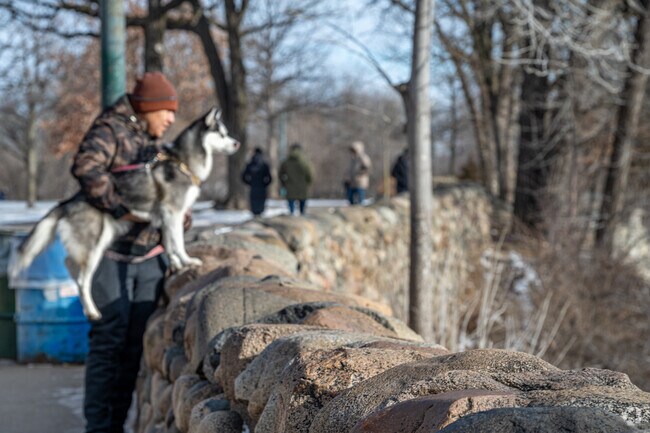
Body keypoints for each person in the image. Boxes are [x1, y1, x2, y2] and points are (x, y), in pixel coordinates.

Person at [71, 72, 181, 433]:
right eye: (166, 110)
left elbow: (174, 191)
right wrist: (123, 209)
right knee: (108, 343)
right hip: (109, 257)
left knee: (134, 348)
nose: (171, 119)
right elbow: (86, 167)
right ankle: (99, 429)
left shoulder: (157, 143)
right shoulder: (111, 129)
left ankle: (117, 425)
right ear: (148, 107)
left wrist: (180, 215)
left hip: (150, 258)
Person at [279, 143, 313, 215]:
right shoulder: (304, 162)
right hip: (302, 187)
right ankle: (302, 215)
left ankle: (291, 216)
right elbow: (310, 174)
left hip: (290, 186)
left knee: (291, 207)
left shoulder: (286, 162)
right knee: (302, 206)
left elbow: (280, 174)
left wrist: (284, 183)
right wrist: (308, 182)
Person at [241, 147, 272, 217]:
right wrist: (265, 184)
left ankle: (255, 216)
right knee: (261, 203)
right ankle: (260, 215)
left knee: (254, 203)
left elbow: (243, 177)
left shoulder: (250, 164)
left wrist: (249, 183)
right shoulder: (264, 165)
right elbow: (269, 178)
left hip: (253, 187)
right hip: (262, 187)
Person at [345, 140, 371, 205]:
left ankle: (360, 207)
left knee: (360, 198)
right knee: (350, 197)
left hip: (360, 181)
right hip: (353, 181)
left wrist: (361, 172)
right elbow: (351, 170)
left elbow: (367, 167)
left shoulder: (363, 157)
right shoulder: (353, 159)